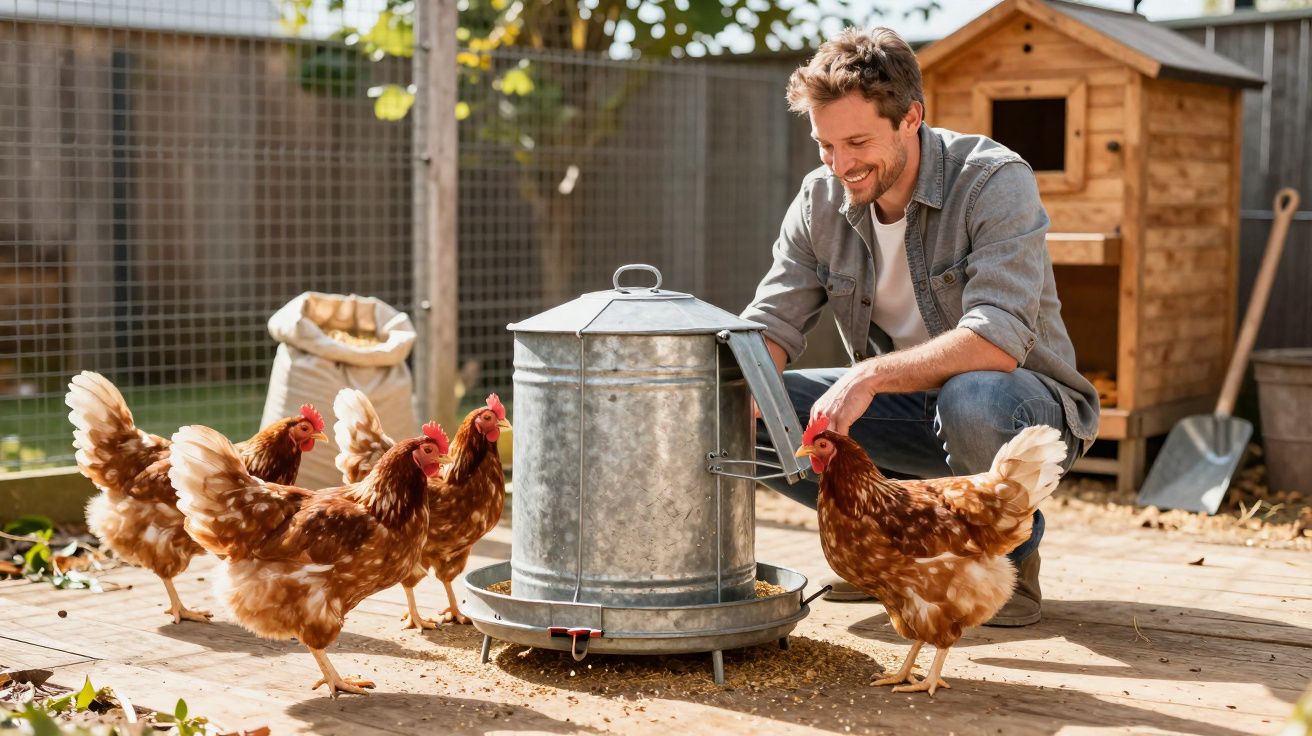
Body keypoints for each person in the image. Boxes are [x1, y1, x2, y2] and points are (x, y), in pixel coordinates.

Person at [741, 26, 1100, 626]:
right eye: (825, 146)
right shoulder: (819, 198)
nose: (841, 165)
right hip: (906, 409)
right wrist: (745, 383)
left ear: (911, 117)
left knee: (973, 396)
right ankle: (889, 557)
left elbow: (998, 337)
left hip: (1020, 406)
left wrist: (869, 376)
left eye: (857, 142)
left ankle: (1009, 565)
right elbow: (773, 320)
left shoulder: (992, 180)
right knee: (744, 406)